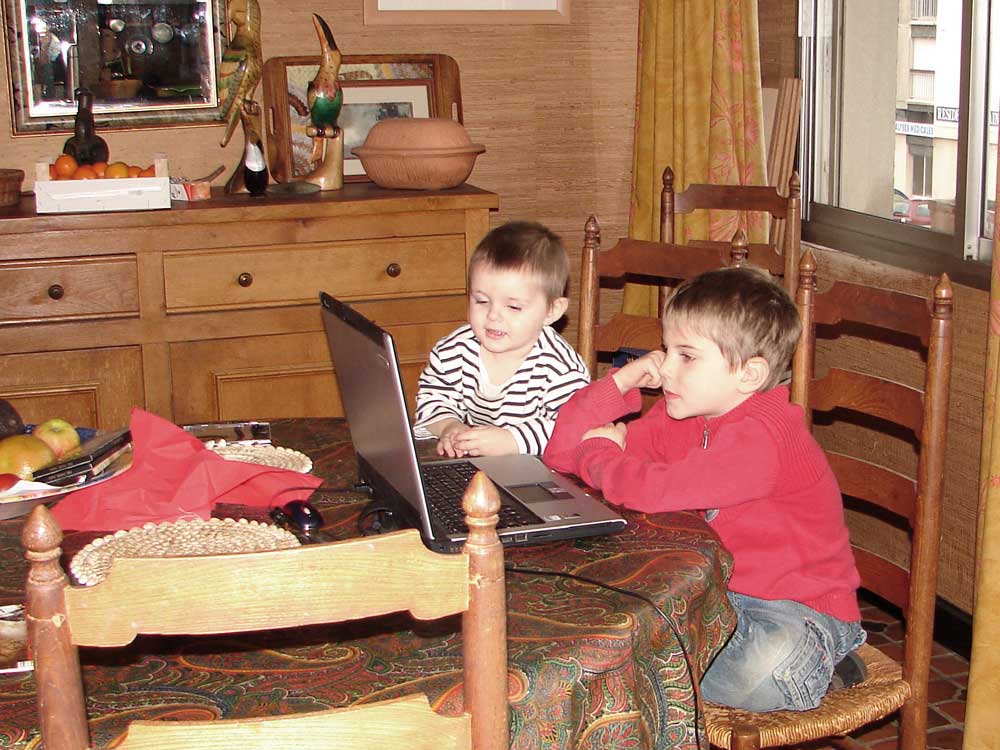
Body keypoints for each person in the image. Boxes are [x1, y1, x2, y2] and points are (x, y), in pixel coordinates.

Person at [542, 266, 865, 712]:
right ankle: (655, 671)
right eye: (666, 350)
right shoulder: (681, 413)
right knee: (624, 618)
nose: (665, 367)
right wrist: (620, 383)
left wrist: (600, 454)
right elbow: (560, 454)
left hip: (796, 612)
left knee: (762, 665)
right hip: (714, 594)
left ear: (749, 375)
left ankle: (817, 666)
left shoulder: (765, 437)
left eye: (686, 356)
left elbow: (653, 489)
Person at [414, 221, 590, 457]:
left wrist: (512, 440)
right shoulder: (454, 350)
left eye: (513, 307)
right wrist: (449, 426)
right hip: (480, 465)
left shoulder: (561, 368)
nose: (493, 315)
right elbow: (432, 400)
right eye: (482, 301)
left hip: (539, 469)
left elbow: (576, 429)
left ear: (551, 311)